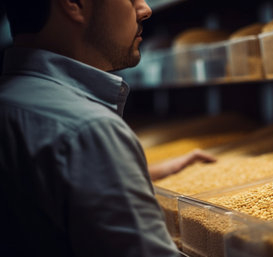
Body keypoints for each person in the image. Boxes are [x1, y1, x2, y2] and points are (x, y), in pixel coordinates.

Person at [0, 0, 216, 256]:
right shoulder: (89, 129)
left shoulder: (13, 100)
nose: (145, 9)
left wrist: (124, 174)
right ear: (74, 4)